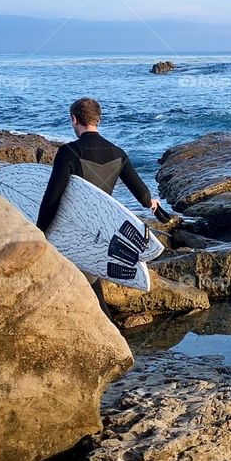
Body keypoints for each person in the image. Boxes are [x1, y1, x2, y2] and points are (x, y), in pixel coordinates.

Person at [37, 97, 160, 314]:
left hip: (72, 229)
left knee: (83, 288)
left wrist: (39, 232)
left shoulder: (69, 152)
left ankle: (108, 332)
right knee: (91, 283)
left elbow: (52, 199)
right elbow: (142, 194)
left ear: (74, 119)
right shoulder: (118, 153)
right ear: (99, 120)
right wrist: (153, 204)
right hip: (101, 233)